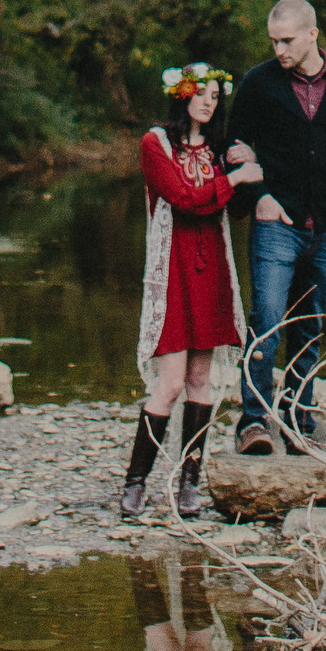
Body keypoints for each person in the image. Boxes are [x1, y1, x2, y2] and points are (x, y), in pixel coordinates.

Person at [223, 0, 326, 454]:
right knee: (266, 320)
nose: (279, 51)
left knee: (308, 326)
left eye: (287, 41)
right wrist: (259, 197)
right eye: (273, 42)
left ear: (313, 34)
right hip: (276, 224)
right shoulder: (259, 84)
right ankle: (254, 423)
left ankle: (298, 418)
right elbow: (231, 146)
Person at [122, 61, 257, 518]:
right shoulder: (155, 144)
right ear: (182, 95)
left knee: (202, 381)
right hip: (173, 270)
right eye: (201, 93)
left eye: (216, 97)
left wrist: (248, 168)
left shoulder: (219, 150)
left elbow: (233, 210)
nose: (208, 101)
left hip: (212, 270)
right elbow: (183, 197)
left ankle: (188, 484)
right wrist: (233, 179)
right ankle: (135, 483)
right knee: (171, 382)